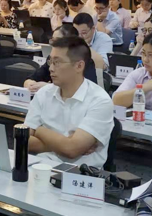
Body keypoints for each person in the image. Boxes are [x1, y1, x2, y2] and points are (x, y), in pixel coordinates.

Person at [23, 36, 113, 167]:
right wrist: (64, 143)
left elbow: (72, 150)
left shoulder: (100, 100)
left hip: (80, 173)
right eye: (50, 61)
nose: (51, 68)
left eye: (57, 62)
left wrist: (38, 130)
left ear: (79, 66)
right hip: (41, 166)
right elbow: (24, 140)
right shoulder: (44, 93)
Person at [23, 25, 97, 91]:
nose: (51, 68)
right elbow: (31, 78)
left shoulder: (85, 61)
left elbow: (87, 89)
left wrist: (48, 87)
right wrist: (31, 85)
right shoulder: (51, 59)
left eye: (58, 40)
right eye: (52, 40)